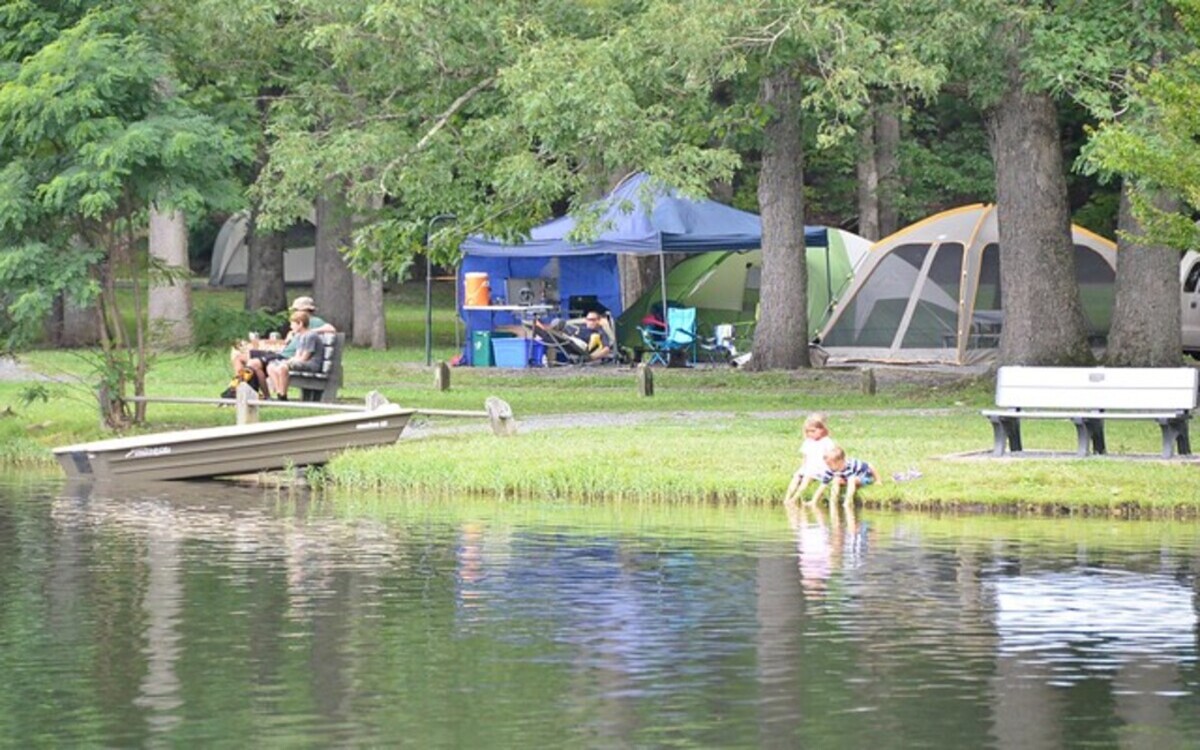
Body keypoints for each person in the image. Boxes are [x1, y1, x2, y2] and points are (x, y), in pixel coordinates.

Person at [231, 296, 334, 389]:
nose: (293, 312)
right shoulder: (298, 327)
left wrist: (309, 331)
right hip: (281, 353)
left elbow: (331, 328)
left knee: (254, 363)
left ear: (303, 310)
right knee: (239, 357)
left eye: (295, 310)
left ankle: (239, 389)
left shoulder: (314, 321)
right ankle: (239, 388)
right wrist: (293, 333)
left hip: (286, 357)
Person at [265, 311, 322, 400]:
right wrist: (290, 360)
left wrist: (288, 362)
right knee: (271, 366)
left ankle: (283, 396)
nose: (291, 327)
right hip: (301, 361)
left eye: (293, 324)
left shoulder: (311, 336)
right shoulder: (300, 336)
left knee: (283, 367)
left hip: (311, 364)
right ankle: (280, 393)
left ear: (300, 324)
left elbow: (305, 357)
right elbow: (298, 354)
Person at [783, 413, 836, 504]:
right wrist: (803, 468)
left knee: (807, 478)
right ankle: (787, 498)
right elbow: (805, 457)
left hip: (820, 467)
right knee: (796, 477)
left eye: (813, 431)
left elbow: (832, 456)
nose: (810, 434)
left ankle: (795, 499)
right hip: (809, 466)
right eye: (808, 432)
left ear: (822, 430)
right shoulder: (808, 442)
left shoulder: (827, 442)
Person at [811, 445, 880, 507]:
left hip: (865, 478)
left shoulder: (849, 465)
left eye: (830, 464)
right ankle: (833, 502)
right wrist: (813, 501)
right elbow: (823, 485)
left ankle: (847, 502)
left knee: (851, 480)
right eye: (827, 464)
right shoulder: (830, 469)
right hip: (849, 479)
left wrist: (878, 480)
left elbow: (870, 465)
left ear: (840, 461)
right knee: (836, 480)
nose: (829, 466)